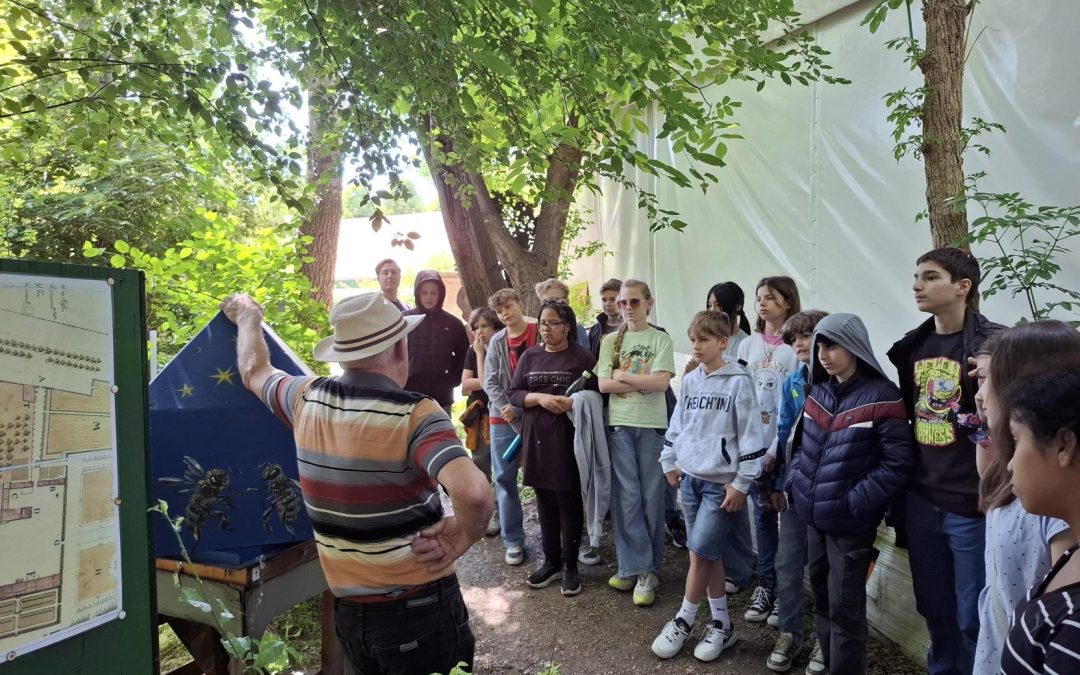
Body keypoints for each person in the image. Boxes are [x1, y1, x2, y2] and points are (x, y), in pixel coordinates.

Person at [219, 291, 492, 675]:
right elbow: (474, 493)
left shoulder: (304, 398)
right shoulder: (416, 414)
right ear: (401, 348)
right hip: (420, 610)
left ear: (342, 354)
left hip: (350, 614)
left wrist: (249, 315)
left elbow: (253, 370)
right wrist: (462, 535)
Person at [886, 247, 1003, 675]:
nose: (917, 285)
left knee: (973, 613)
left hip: (971, 502)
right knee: (933, 605)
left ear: (962, 286)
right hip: (922, 498)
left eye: (931, 277)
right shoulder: (912, 347)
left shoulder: (996, 345)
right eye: (917, 276)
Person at [786, 313, 914, 675]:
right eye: (820, 346)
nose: (823, 354)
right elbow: (800, 446)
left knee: (846, 612)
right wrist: (797, 482)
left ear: (855, 346)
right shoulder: (819, 391)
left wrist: (854, 502)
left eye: (832, 346)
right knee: (822, 603)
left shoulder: (883, 397)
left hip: (850, 527)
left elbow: (897, 463)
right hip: (813, 519)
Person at [651, 310, 768, 662]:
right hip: (690, 480)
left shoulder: (739, 382)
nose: (697, 346)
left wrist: (741, 483)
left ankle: (684, 619)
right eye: (693, 340)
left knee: (701, 551)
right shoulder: (690, 380)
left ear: (723, 342)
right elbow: (679, 425)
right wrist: (669, 460)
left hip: (721, 485)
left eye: (704, 340)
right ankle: (721, 625)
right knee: (705, 553)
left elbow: (752, 434)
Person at [970, 322, 1078, 671]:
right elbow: (988, 476)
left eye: (988, 379)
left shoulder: (1052, 497)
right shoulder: (1020, 477)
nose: (980, 394)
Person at [509, 300, 597, 596]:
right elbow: (514, 393)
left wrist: (575, 401)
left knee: (568, 501)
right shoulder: (530, 356)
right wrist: (540, 398)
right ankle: (551, 562)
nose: (546, 329)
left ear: (567, 326)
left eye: (553, 323)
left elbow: (598, 395)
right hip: (536, 438)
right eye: (543, 323)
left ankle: (571, 565)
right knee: (544, 501)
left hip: (568, 438)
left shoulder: (582, 357)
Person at [598, 279, 676, 607]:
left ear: (648, 303)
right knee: (626, 497)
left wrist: (624, 376)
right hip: (620, 425)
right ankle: (636, 568)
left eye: (634, 301)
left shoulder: (660, 339)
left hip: (653, 426)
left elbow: (661, 384)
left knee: (651, 498)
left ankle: (647, 568)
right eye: (623, 302)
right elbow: (603, 385)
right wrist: (642, 382)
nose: (628, 307)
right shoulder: (609, 341)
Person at [999, 367, 1080, 675]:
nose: (1010, 464)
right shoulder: (1071, 556)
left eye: (1016, 440)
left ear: (1063, 446)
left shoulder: (1075, 632)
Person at [766, 310, 829, 674]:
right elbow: (784, 434)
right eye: (793, 340)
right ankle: (790, 632)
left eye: (807, 336)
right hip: (795, 487)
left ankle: (825, 637)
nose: (800, 344)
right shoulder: (793, 381)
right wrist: (778, 484)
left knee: (824, 569)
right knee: (787, 564)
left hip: (831, 492)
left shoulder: (840, 380)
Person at [738, 276, 802, 625]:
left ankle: (787, 595)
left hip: (785, 446)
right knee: (762, 518)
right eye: (759, 297)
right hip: (753, 445)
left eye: (771, 297)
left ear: (788, 302)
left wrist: (777, 448)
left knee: (788, 521)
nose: (762, 303)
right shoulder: (748, 345)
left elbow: (794, 406)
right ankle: (767, 586)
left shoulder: (797, 347)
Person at [483, 288, 538, 566]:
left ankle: (556, 537)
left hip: (538, 413)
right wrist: (508, 407)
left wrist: (522, 408)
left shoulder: (539, 331)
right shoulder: (496, 341)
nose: (505, 313)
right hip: (501, 417)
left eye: (508, 306)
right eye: (499, 310)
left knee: (545, 475)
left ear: (519, 304)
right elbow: (490, 382)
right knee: (504, 477)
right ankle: (513, 539)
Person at [460, 307, 505, 537]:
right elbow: (466, 385)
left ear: (495, 326)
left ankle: (500, 512)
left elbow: (491, 384)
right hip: (479, 415)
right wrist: (478, 357)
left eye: (484, 326)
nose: (480, 331)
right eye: (476, 327)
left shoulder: (502, 347)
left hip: (500, 414)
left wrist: (481, 360)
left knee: (501, 467)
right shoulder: (472, 350)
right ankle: (486, 512)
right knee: (480, 465)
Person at [403, 270, 470, 414]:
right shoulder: (405, 320)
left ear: (441, 294)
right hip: (408, 392)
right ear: (417, 293)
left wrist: (453, 380)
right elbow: (394, 352)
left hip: (441, 395)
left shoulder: (453, 323)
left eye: (433, 293)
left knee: (440, 428)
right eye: (424, 292)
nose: (429, 297)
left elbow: (463, 354)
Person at [535, 277, 590, 346]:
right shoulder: (539, 329)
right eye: (545, 302)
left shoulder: (577, 330)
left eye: (554, 300)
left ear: (567, 301)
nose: (549, 305)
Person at [588, 278, 624, 360]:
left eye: (613, 299)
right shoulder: (594, 330)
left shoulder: (632, 327)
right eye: (604, 300)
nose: (607, 304)